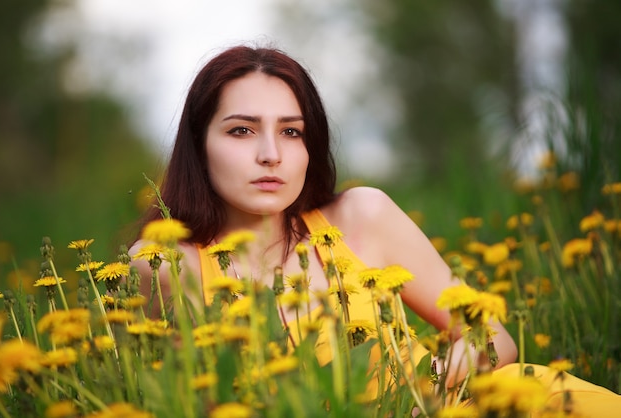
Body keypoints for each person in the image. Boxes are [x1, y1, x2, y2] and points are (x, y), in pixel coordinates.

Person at [130, 45, 620, 415]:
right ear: (199, 143)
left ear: (309, 147)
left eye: (291, 131)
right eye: (241, 130)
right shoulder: (167, 266)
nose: (270, 154)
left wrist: (427, 385)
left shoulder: (363, 216)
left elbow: (491, 336)